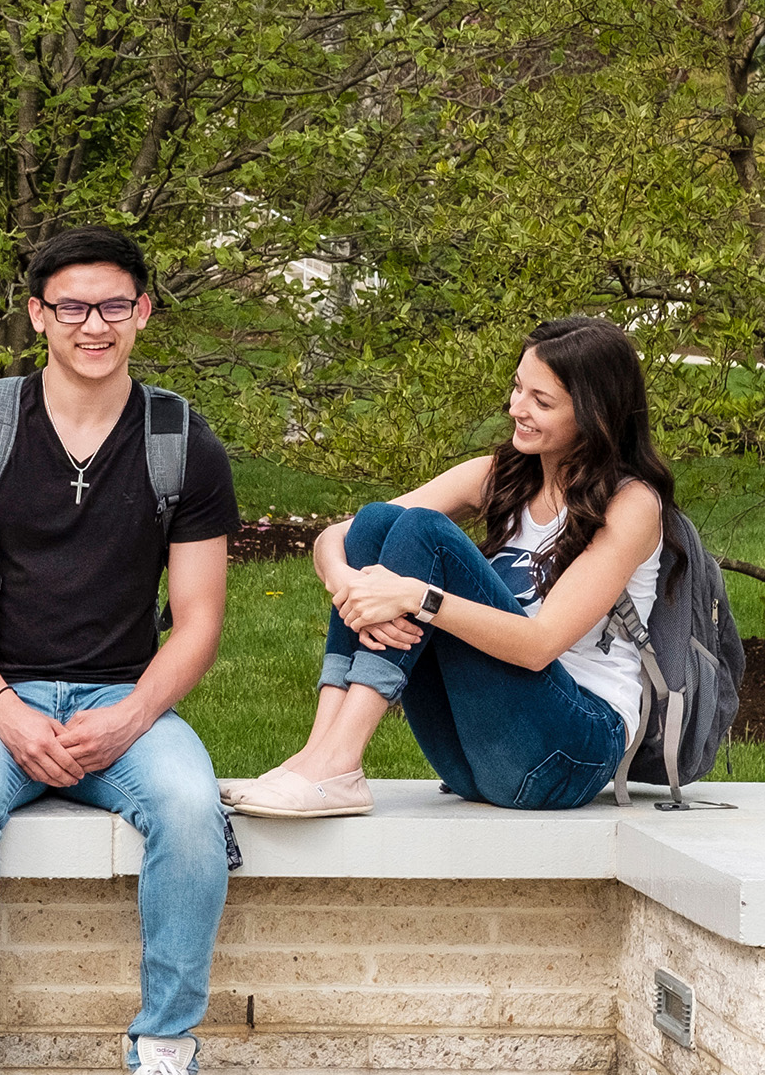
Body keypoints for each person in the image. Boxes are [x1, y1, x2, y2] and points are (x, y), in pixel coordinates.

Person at [0, 227, 240, 1075]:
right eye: (70, 307)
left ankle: (165, 1054)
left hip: (124, 698)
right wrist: (5, 711)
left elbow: (200, 619)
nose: (92, 325)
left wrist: (132, 715)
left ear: (142, 313)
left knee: (189, 811)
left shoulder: (182, 442)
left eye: (112, 306)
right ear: (37, 316)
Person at [227, 316, 671, 820]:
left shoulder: (630, 505)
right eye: (518, 388)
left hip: (570, 752)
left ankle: (338, 759)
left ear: (596, 415)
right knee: (378, 521)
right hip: (475, 758)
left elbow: (538, 645)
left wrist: (418, 598)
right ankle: (320, 755)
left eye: (541, 402)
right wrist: (347, 580)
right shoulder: (500, 476)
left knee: (424, 533)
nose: (516, 409)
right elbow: (339, 536)